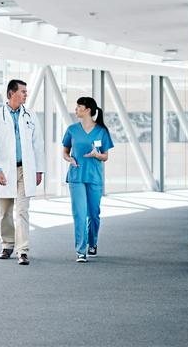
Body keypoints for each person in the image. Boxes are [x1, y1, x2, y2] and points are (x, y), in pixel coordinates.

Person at [0, 79, 44, 265]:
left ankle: (23, 249)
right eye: (23, 91)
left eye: (26, 92)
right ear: (11, 93)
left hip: (24, 170)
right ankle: (7, 244)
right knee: (5, 211)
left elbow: (38, 144)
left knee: (22, 211)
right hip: (4, 170)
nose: (26, 94)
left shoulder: (30, 115)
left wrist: (39, 169)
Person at [61, 97, 113, 263]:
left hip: (94, 177)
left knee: (94, 214)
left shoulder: (102, 131)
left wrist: (97, 155)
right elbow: (65, 152)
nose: (76, 110)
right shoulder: (71, 130)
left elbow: (105, 156)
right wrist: (69, 159)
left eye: (79, 107)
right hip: (76, 176)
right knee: (79, 214)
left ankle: (93, 243)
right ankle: (81, 250)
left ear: (88, 110)